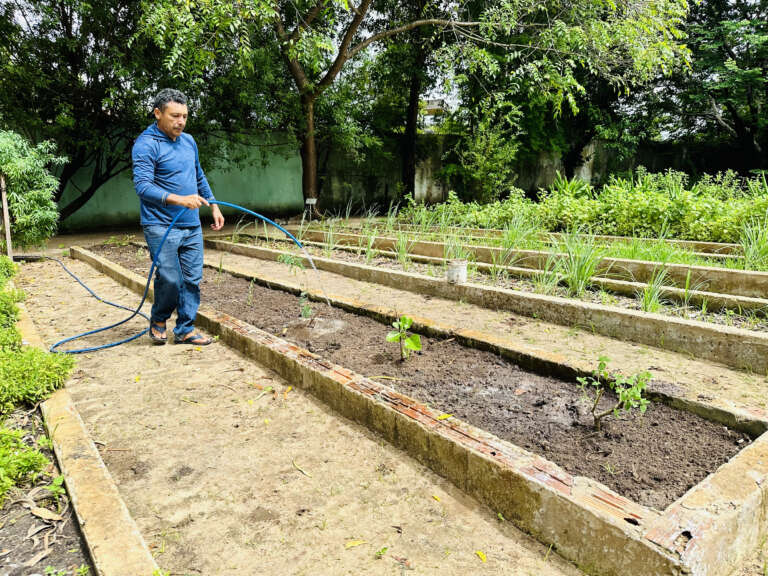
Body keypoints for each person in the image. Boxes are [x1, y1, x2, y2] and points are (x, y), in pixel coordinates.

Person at [132, 88, 225, 346]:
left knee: (192, 279)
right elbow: (143, 187)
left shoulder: (189, 141)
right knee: (170, 278)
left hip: (191, 225)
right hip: (160, 224)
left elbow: (199, 176)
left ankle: (185, 328)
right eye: (175, 116)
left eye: (184, 116)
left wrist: (214, 206)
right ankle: (159, 319)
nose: (181, 122)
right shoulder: (146, 144)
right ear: (158, 113)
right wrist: (180, 199)